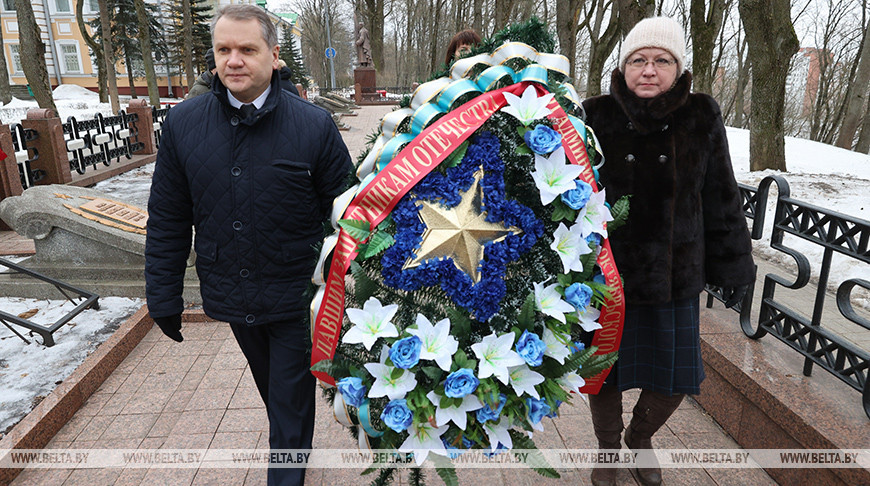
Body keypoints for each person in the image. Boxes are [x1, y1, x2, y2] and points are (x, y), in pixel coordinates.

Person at [144, 5, 352, 485]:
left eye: (247, 49)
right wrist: (163, 295)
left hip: (298, 295)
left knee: (287, 399)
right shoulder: (183, 125)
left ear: (274, 57)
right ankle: (291, 443)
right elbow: (170, 217)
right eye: (223, 50)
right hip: (233, 295)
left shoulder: (313, 126)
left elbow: (349, 214)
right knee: (277, 396)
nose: (234, 60)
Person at [581, 17, 753, 486]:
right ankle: (609, 450)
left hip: (676, 274)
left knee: (674, 376)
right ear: (623, 66)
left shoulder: (702, 114)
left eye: (662, 60)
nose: (649, 70)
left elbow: (721, 192)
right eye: (639, 60)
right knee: (605, 373)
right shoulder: (593, 114)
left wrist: (733, 263)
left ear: (679, 68)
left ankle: (640, 438)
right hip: (608, 277)